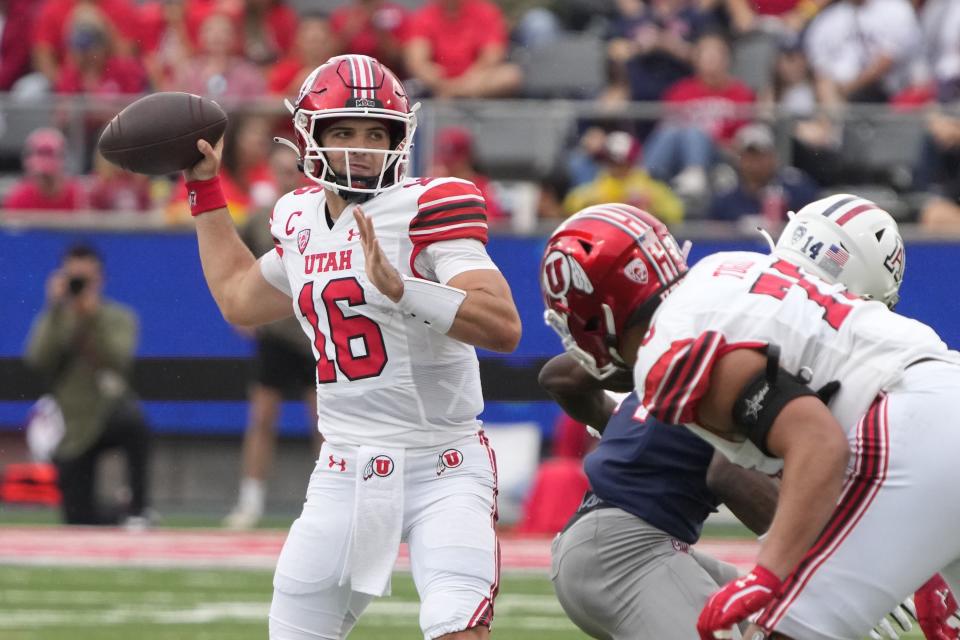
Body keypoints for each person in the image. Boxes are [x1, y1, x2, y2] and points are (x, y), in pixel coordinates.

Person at [180, 54, 521, 639]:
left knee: (456, 627)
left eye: (375, 132)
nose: (361, 147)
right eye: (344, 131)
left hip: (445, 466)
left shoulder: (430, 206)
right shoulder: (296, 218)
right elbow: (239, 298)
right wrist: (204, 187)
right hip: (344, 469)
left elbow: (502, 327)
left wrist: (402, 289)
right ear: (312, 137)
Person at [538, 196, 960, 640]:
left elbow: (816, 443)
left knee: (784, 628)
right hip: (935, 393)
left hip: (912, 426)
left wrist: (771, 572)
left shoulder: (670, 352)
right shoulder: (724, 270)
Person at [223, 147, 321, 530]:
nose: (290, 178)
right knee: (262, 417)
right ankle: (250, 500)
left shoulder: (324, 215)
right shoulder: (261, 218)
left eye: (296, 171)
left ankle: (324, 502)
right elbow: (236, 263)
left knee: (323, 423)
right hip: (277, 332)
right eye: (282, 170)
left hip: (317, 330)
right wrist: (242, 306)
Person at [24, 243, 151, 527]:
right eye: (75, 279)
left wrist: (92, 317)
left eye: (86, 279)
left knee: (135, 423)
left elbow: (119, 360)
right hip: (72, 420)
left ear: (100, 280)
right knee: (77, 516)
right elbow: (37, 359)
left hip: (108, 410)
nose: (80, 286)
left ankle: (139, 507)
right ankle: (119, 516)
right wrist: (54, 308)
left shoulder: (117, 316)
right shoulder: (55, 319)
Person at [404, 0, 522, 98]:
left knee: (510, 76)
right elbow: (416, 60)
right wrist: (433, 76)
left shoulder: (485, 12)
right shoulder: (425, 15)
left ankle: (452, 95)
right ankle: (459, 95)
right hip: (438, 81)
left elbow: (493, 54)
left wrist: (468, 80)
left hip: (475, 79)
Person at [563, 130, 683, 224]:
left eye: (619, 163)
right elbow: (570, 204)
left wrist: (653, 208)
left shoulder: (649, 188)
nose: (614, 167)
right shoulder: (596, 188)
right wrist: (591, 206)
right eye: (609, 161)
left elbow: (676, 213)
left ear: (631, 162)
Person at [708, 123, 818, 225]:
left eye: (761, 156)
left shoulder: (796, 188)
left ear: (773, 157)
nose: (755, 163)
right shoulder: (726, 197)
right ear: (739, 159)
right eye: (750, 156)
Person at [3, 128, 86, 212]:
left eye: (49, 176)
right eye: (42, 175)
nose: (46, 179)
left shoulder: (77, 195)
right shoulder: (19, 197)